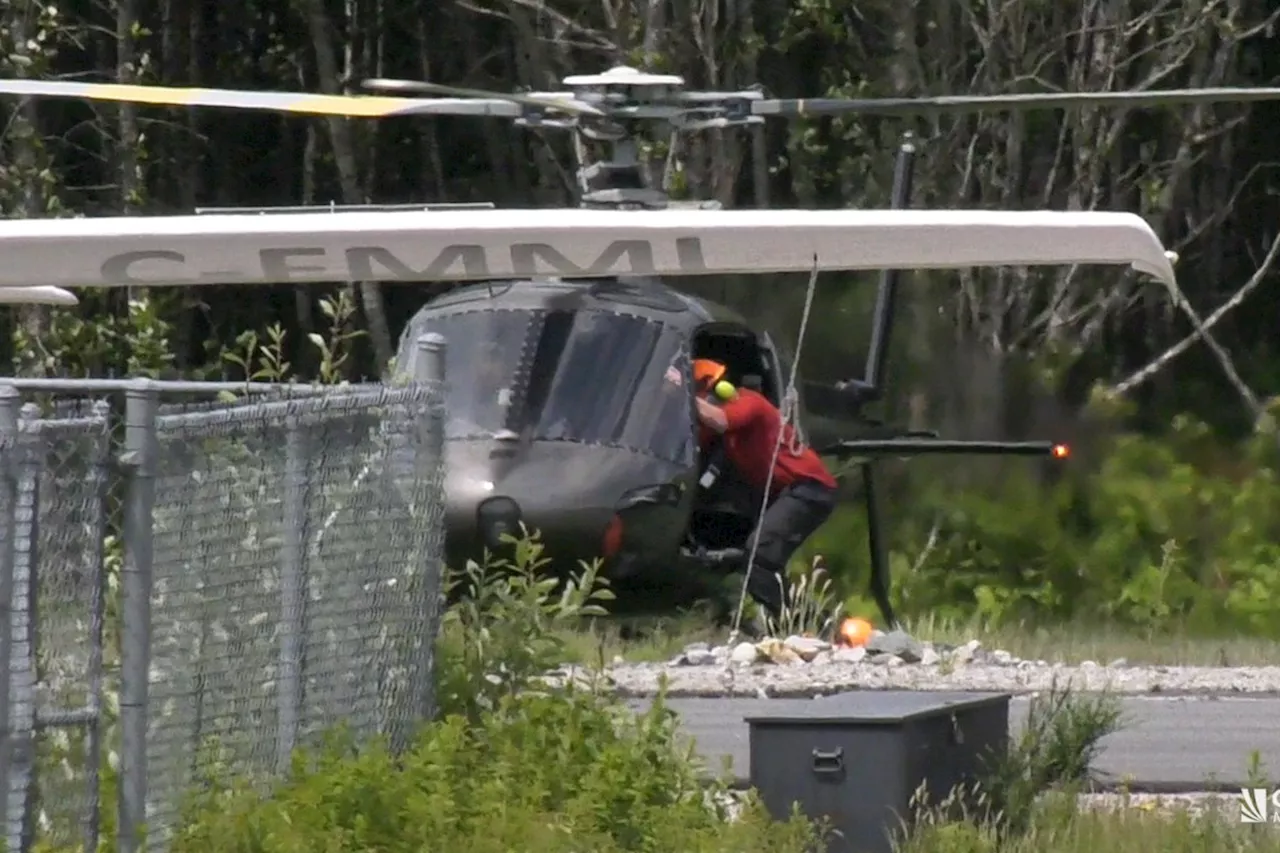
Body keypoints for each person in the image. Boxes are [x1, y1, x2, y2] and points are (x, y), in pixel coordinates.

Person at [689, 358, 839, 622]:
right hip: (787, 493)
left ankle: (815, 625)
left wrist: (683, 397)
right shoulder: (724, 431)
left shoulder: (749, 402)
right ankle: (799, 621)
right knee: (756, 564)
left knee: (758, 563)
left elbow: (721, 420)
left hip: (809, 489)